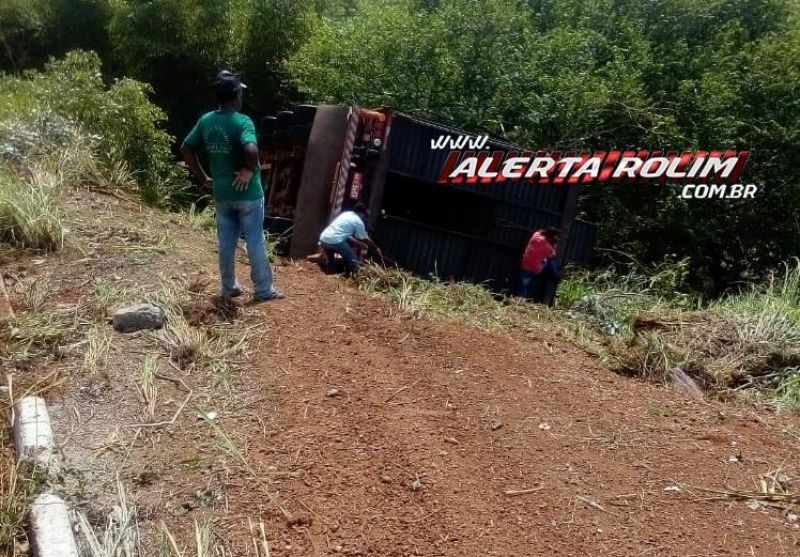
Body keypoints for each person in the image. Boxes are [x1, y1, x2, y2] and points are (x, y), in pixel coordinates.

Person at [181, 71, 282, 303]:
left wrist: (204, 177)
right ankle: (264, 290)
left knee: (226, 242)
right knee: (255, 239)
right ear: (236, 95)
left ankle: (228, 288)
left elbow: (186, 149)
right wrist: (248, 170)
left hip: (222, 192)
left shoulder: (206, 121)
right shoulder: (242, 121)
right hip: (248, 194)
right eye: (241, 92)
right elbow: (251, 151)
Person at [318, 203, 380, 276]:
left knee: (330, 259)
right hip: (335, 241)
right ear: (361, 213)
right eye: (365, 216)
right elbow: (365, 238)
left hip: (324, 238)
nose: (365, 218)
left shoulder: (346, 214)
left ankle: (329, 274)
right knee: (353, 259)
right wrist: (375, 248)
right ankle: (350, 278)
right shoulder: (358, 222)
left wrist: (358, 244)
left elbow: (347, 235)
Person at [519, 227, 561, 303]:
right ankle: (557, 277)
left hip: (525, 263)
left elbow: (540, 231)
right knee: (549, 262)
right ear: (550, 237)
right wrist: (554, 244)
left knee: (524, 286)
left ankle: (521, 300)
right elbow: (552, 255)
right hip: (535, 268)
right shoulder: (548, 248)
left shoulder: (536, 235)